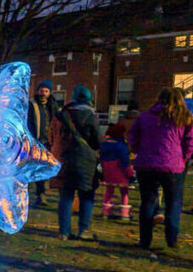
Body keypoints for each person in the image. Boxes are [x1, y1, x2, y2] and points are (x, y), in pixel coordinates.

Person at [127, 88, 193, 250]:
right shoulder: (185, 118)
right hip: (172, 165)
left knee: (148, 202)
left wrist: (139, 150)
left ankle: (145, 240)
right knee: (173, 202)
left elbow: (132, 136)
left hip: (146, 164)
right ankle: (172, 238)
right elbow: (191, 142)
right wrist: (183, 158)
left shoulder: (145, 116)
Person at [49, 85, 100, 240]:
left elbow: (52, 135)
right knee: (86, 195)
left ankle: (63, 231)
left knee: (65, 196)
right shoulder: (91, 116)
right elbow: (97, 141)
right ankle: (83, 230)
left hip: (64, 159)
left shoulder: (61, 114)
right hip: (86, 160)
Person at [28, 80, 58, 207]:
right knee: (33, 169)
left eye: (46, 91)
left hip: (48, 143)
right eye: (41, 90)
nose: (43, 93)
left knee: (44, 169)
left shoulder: (53, 106)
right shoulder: (31, 105)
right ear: (37, 91)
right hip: (35, 141)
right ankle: (33, 194)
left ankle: (41, 194)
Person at [99, 124, 135, 220]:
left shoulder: (104, 144)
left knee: (109, 191)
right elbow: (124, 163)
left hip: (107, 173)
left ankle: (106, 211)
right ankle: (124, 214)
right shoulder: (122, 146)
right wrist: (130, 174)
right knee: (124, 192)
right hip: (120, 174)